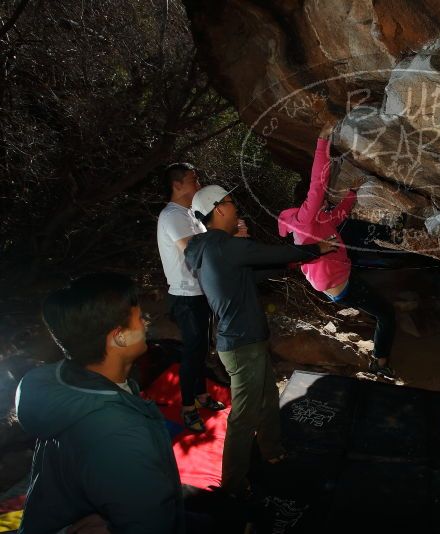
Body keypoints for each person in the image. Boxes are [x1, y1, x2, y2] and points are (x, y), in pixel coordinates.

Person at [184, 184, 336, 499]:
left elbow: (253, 274)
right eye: (230, 202)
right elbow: (270, 252)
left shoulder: (213, 250)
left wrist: (293, 263)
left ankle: (272, 450)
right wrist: (313, 249)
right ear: (219, 209)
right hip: (242, 345)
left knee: (267, 398)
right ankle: (234, 487)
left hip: (245, 342)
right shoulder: (222, 246)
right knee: (244, 416)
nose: (236, 208)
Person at [15, 273, 184, 533]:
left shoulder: (65, 387)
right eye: (139, 319)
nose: (146, 324)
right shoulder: (118, 431)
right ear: (119, 337)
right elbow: (150, 524)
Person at [277, 123, 396, 378]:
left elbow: (339, 214)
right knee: (387, 314)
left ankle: (378, 355)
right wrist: (322, 141)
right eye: (318, 202)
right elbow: (317, 186)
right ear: (306, 203)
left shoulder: (318, 219)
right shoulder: (306, 219)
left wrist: (352, 194)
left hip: (340, 280)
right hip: (340, 285)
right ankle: (380, 363)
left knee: (380, 308)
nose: (323, 202)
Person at [157, 162, 230, 432]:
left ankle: (201, 395)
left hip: (200, 292)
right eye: (192, 179)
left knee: (201, 349)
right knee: (192, 352)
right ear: (177, 185)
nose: (198, 184)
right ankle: (187, 407)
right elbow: (194, 250)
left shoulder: (190, 214)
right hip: (185, 296)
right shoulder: (172, 215)